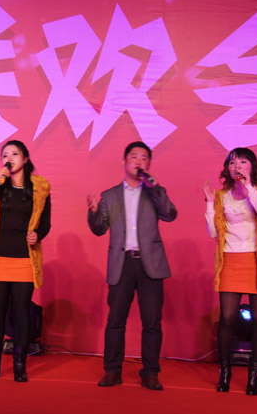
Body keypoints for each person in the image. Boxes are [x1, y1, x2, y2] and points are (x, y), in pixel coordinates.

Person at [87, 141, 177, 390]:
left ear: (148, 164)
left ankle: (150, 373)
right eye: (134, 157)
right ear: (124, 161)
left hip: (151, 264)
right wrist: (93, 212)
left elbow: (170, 214)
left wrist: (154, 188)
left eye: (144, 158)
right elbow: (99, 229)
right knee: (116, 320)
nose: (139, 161)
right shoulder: (110, 195)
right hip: (122, 263)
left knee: (152, 322)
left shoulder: (154, 191)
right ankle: (112, 370)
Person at [203, 147, 257, 396]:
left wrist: (249, 187)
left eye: (242, 162)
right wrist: (209, 204)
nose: (236, 166)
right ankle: (225, 370)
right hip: (230, 259)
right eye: (232, 162)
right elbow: (214, 233)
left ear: (252, 166)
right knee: (227, 318)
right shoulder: (222, 196)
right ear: (227, 168)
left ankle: (254, 372)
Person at [0, 140, 51, 383]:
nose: (9, 158)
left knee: (21, 312)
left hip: (24, 258)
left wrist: (38, 234)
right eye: (5, 155)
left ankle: (20, 364)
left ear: (25, 159)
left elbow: (46, 223)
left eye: (15, 154)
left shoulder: (40, 188)